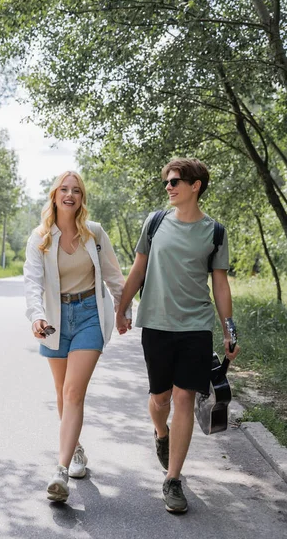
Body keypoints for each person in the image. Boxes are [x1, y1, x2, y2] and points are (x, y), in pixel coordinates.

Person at [116, 157, 239, 514]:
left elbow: (220, 283)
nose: (168, 187)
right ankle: (161, 433)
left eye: (174, 182)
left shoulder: (214, 232)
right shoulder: (155, 223)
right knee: (161, 399)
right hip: (156, 323)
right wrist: (122, 309)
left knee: (184, 398)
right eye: (167, 182)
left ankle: (173, 480)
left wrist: (230, 330)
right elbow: (138, 267)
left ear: (195, 185)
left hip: (196, 327)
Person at [24, 171, 131, 503]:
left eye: (77, 191)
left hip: (88, 316)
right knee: (61, 393)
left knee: (72, 393)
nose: (70, 195)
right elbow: (32, 282)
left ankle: (60, 470)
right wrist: (36, 315)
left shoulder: (94, 233)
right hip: (55, 321)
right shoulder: (40, 237)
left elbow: (113, 274)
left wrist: (123, 308)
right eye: (64, 189)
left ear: (82, 198)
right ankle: (78, 448)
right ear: (55, 195)